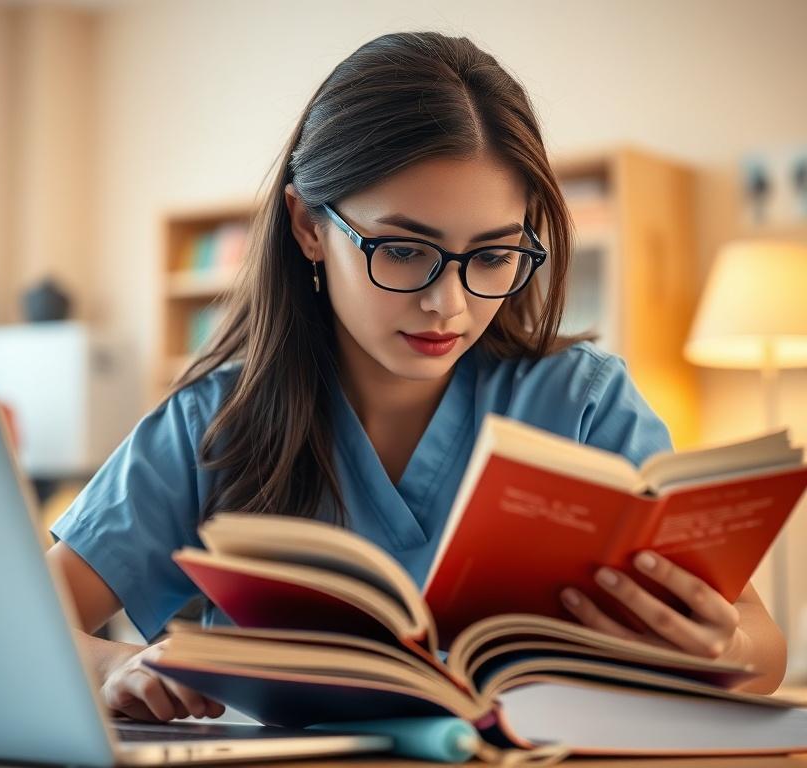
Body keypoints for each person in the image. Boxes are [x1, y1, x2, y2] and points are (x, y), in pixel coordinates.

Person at [45, 31, 787, 723]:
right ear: (308, 226)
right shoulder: (214, 424)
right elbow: (28, 612)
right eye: (403, 250)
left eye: (494, 256)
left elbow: (757, 642)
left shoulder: (583, 402)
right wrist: (111, 663)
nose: (450, 304)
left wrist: (721, 650)